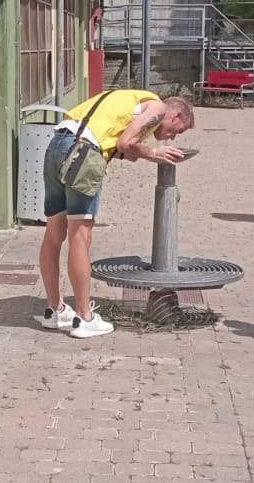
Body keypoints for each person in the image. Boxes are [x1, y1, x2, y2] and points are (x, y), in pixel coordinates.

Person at [40, 89, 196, 339]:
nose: (172, 137)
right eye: (178, 130)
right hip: (84, 153)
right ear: (175, 115)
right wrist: (153, 153)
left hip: (58, 144)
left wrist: (135, 152)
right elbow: (125, 143)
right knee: (80, 237)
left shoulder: (129, 98)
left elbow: (118, 144)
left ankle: (54, 310)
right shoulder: (157, 108)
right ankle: (84, 318)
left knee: (53, 234)